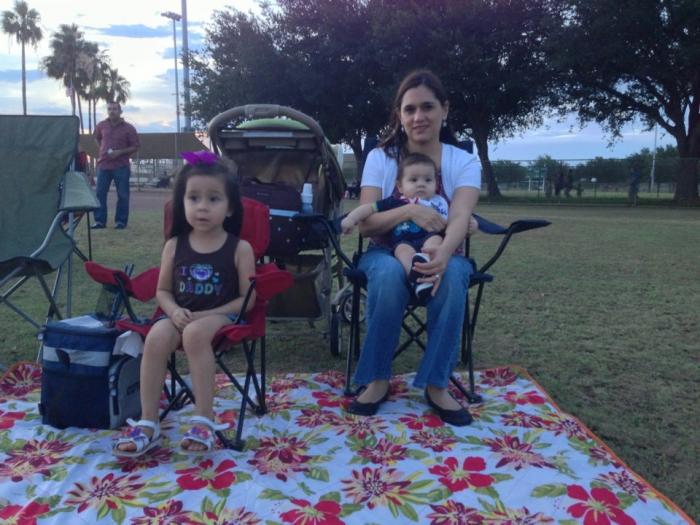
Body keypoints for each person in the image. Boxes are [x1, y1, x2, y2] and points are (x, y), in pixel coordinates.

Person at [347, 69, 480, 426]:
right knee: (389, 274)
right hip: (384, 251)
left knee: (452, 274)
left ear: (444, 110)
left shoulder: (463, 161)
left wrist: (443, 256)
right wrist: (410, 211)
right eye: (410, 109)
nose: (418, 116)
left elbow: (461, 215)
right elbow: (367, 224)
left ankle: (436, 385)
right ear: (399, 115)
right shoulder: (381, 158)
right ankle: (377, 380)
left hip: (444, 247)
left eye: (427, 107)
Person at [113, 151, 256, 457]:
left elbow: (248, 299)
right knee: (156, 335)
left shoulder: (240, 248)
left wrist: (207, 315)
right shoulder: (174, 245)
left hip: (223, 316)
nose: (202, 206)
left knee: (194, 334)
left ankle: (203, 420)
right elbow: (163, 290)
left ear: (230, 207)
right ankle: (148, 422)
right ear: (182, 202)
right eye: (193, 198)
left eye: (213, 199)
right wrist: (174, 310)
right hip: (180, 315)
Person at [341, 153, 477, 302]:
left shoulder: (440, 203)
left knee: (436, 240)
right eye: (413, 180)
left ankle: (426, 264)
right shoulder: (397, 201)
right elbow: (369, 208)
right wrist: (351, 218)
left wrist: (472, 224)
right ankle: (416, 277)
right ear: (400, 186)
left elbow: (459, 218)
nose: (421, 184)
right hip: (403, 242)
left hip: (430, 242)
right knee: (402, 250)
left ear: (436, 184)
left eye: (428, 180)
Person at [92, 102, 139, 229]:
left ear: (120, 111)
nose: (112, 111)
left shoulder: (129, 128)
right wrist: (102, 148)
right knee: (100, 194)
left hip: (121, 166)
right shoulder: (101, 125)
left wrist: (120, 152)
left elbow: (135, 146)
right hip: (103, 165)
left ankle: (120, 222)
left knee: (123, 195)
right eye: (109, 109)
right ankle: (99, 221)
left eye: (114, 109)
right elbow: (96, 138)